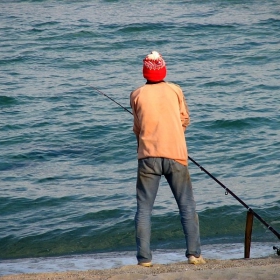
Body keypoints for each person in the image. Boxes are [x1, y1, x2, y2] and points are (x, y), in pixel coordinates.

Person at [130, 51, 205, 267]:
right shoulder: (175, 90)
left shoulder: (137, 94)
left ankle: (144, 259)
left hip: (147, 158)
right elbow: (185, 119)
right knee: (187, 206)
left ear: (145, 72)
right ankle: (194, 255)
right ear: (163, 70)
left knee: (144, 209)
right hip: (176, 155)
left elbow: (137, 129)